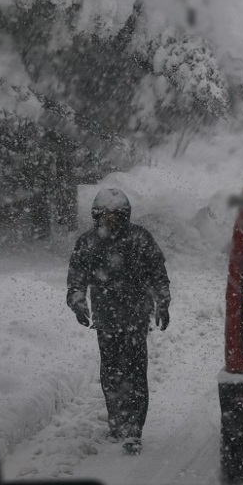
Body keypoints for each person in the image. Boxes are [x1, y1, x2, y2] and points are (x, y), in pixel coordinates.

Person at [67, 188, 171, 455]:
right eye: (104, 215)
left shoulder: (139, 239)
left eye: (115, 215)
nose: (109, 220)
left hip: (135, 319)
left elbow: (158, 271)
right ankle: (117, 422)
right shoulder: (88, 242)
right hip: (106, 321)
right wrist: (78, 302)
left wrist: (163, 302)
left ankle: (134, 429)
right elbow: (77, 276)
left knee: (136, 373)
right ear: (96, 215)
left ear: (124, 216)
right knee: (111, 374)